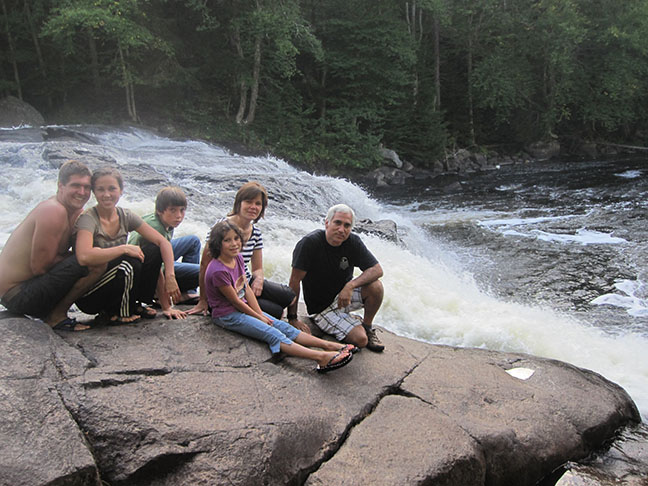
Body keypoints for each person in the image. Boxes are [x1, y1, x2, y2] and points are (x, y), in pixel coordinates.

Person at [205, 220, 355, 372]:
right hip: (227, 315)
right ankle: (321, 358)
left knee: (281, 325)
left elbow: (247, 290)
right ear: (218, 244)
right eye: (227, 240)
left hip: (242, 308)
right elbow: (235, 301)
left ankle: (329, 345)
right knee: (272, 333)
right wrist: (259, 317)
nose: (234, 244)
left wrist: (259, 314)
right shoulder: (219, 271)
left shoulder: (237, 258)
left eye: (236, 239)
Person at [0, 160, 102, 331]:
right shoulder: (54, 210)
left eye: (87, 187)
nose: (82, 192)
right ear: (60, 186)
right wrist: (85, 255)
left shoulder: (77, 213)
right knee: (95, 260)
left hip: (28, 288)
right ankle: (56, 317)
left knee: (98, 254)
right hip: (16, 295)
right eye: (75, 186)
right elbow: (39, 267)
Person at [74, 167, 181, 324]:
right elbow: (84, 257)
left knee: (152, 250)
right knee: (129, 261)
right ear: (94, 192)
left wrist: (170, 277)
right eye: (100, 189)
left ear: (121, 190)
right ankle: (124, 311)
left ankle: (134, 303)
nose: (107, 194)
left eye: (112, 189)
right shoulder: (88, 219)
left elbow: (162, 242)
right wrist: (123, 249)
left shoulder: (125, 215)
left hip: (117, 282)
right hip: (91, 292)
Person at [189, 181, 296, 319]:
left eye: (258, 204)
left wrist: (259, 279)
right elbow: (204, 264)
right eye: (248, 202)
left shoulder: (256, 232)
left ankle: (251, 304)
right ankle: (247, 307)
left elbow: (257, 268)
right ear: (239, 203)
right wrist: (203, 300)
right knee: (276, 312)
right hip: (226, 285)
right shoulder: (221, 228)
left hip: (244, 281)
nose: (253, 207)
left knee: (289, 296)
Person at [288, 204, 385, 352]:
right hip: (322, 308)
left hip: (343, 297)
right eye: (337, 223)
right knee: (361, 340)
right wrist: (292, 318)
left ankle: (367, 326)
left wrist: (350, 286)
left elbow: (377, 270)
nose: (342, 229)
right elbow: (295, 281)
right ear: (327, 223)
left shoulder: (353, 242)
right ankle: (352, 326)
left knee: (376, 286)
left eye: (347, 225)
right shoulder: (309, 243)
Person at [128, 186, 200, 319]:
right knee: (203, 272)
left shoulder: (167, 221)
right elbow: (156, 267)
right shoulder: (155, 226)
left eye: (182, 210)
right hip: (144, 271)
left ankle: (186, 294)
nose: (178, 216)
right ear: (160, 211)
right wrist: (166, 305)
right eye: (172, 210)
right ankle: (168, 294)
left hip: (159, 258)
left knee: (193, 241)